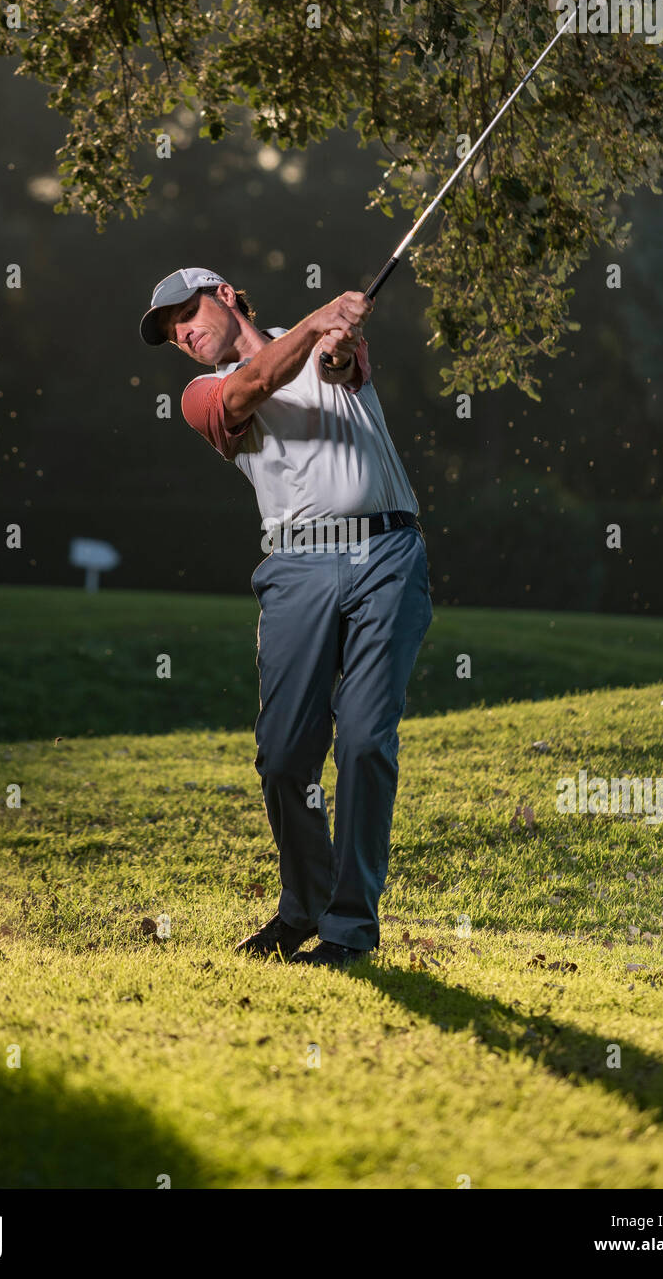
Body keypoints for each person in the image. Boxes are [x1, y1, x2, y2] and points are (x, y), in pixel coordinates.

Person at [139, 267, 433, 967]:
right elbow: (253, 387)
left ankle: (349, 929)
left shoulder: (328, 348)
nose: (183, 332)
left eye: (188, 312)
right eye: (171, 331)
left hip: (386, 554)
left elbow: (337, 365)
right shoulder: (202, 394)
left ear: (228, 294)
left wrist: (334, 338)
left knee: (364, 741)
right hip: (296, 569)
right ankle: (304, 906)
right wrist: (317, 320)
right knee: (283, 758)